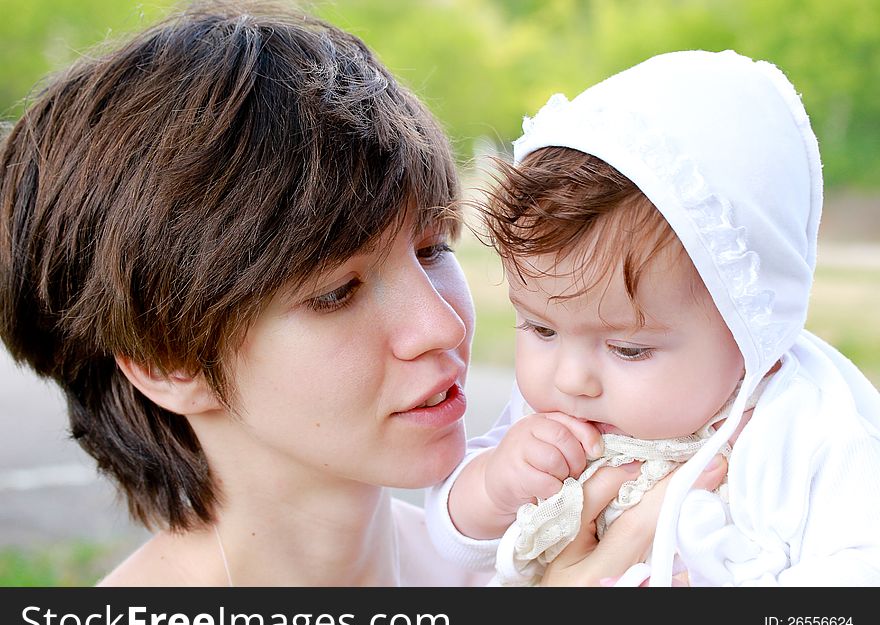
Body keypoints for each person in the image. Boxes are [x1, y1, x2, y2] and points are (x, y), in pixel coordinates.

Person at [0, 1, 693, 587]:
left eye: (433, 248)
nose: (442, 326)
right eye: (336, 292)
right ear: (167, 361)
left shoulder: (524, 556)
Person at [426, 49, 880, 586]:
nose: (569, 379)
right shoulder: (547, 419)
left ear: (751, 327)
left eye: (630, 349)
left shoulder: (806, 429)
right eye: (541, 329)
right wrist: (493, 488)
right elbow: (454, 547)